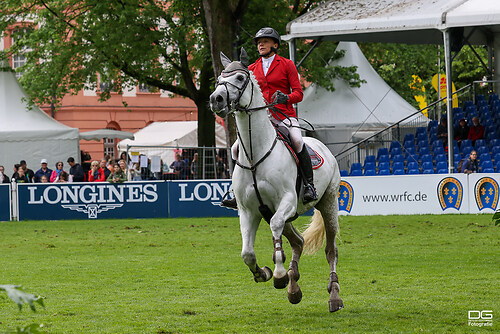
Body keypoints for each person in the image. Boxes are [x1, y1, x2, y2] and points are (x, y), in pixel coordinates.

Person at [223, 27, 316, 209]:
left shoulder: (287, 64)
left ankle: (309, 186)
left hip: (284, 116)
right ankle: (236, 191)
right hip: (261, 119)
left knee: (297, 141)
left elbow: (299, 93)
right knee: (235, 149)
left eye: (265, 41)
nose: (261, 44)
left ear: (275, 44)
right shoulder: (251, 69)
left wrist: (287, 97)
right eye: (258, 42)